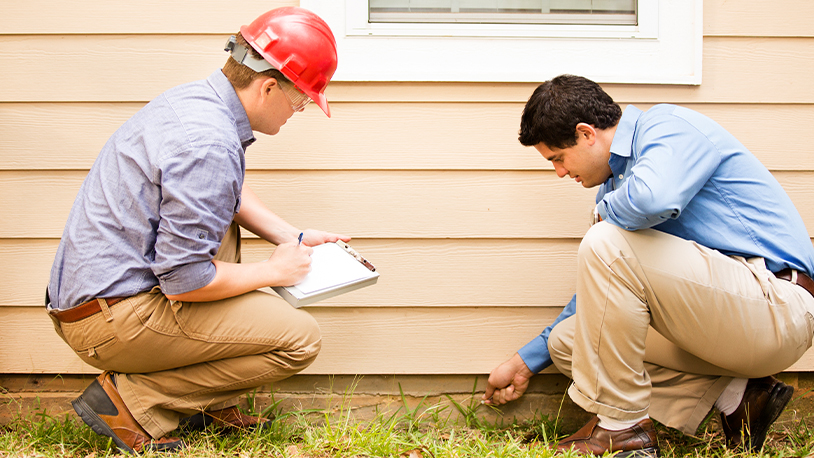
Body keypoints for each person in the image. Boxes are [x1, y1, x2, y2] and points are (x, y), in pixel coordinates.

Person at [46, 7, 347, 454]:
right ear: (268, 86)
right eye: (301, 99)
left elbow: (224, 193)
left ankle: (205, 401)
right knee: (299, 340)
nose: (300, 109)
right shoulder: (207, 142)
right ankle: (133, 404)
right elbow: (186, 280)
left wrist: (291, 238)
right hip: (111, 320)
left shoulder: (197, 103)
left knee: (215, 228)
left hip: (101, 298)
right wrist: (275, 271)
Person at [482, 74, 814, 457]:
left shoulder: (667, 128)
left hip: (777, 306)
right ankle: (739, 396)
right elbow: (601, 297)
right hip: (728, 323)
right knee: (569, 341)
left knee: (605, 242)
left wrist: (602, 219)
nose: (559, 172)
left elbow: (655, 200)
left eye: (558, 157)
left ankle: (623, 430)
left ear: (587, 133)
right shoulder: (616, 190)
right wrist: (524, 363)